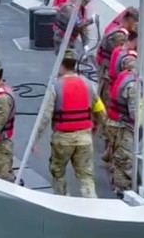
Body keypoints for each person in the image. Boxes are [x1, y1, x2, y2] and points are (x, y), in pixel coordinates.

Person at [34, 50, 106, 197]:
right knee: (86, 176)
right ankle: (91, 206)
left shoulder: (55, 86)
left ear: (61, 65)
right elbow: (100, 109)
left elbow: (45, 116)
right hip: (84, 137)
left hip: (62, 139)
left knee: (58, 172)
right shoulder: (87, 84)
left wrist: (35, 139)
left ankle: (62, 200)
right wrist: (100, 127)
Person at [106, 52, 144, 195]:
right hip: (121, 126)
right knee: (125, 161)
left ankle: (119, 184)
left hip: (118, 123)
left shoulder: (128, 74)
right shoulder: (133, 86)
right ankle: (122, 191)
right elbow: (135, 113)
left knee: (120, 157)